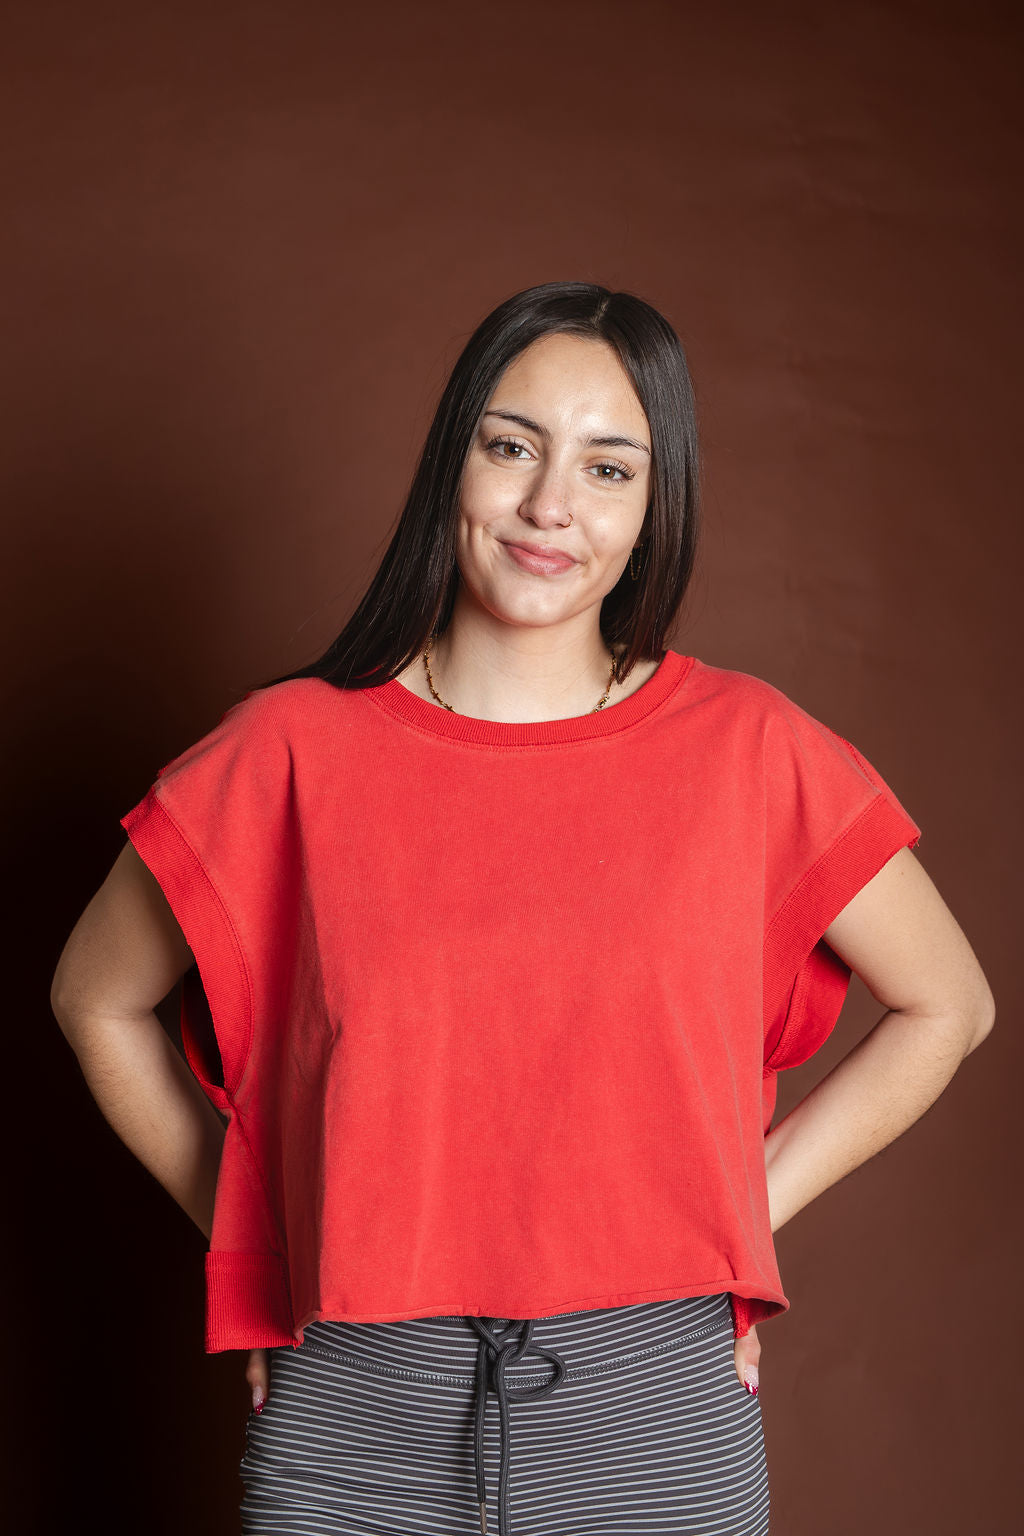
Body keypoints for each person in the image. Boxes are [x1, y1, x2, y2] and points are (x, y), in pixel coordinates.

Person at [51, 280, 995, 1536]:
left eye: (608, 469)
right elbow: (93, 997)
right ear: (455, 460)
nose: (552, 505)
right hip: (358, 1411)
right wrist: (258, 1240)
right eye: (512, 447)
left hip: (651, 1412)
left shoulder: (749, 748)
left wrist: (735, 1221)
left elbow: (949, 1004)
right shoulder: (285, 752)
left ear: (655, 505)